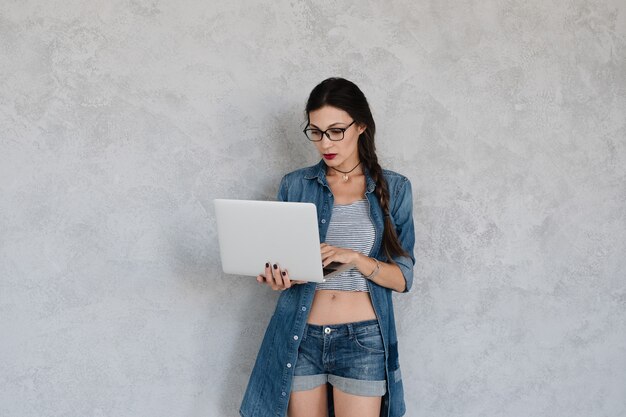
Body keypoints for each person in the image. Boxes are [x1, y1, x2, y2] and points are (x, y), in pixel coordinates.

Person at [239, 77, 415, 417]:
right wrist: (281, 277)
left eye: (336, 130)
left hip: (362, 339)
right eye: (316, 132)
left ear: (361, 125)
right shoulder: (295, 184)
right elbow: (285, 261)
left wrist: (355, 258)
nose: (324, 142)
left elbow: (403, 279)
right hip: (300, 336)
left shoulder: (395, 187)